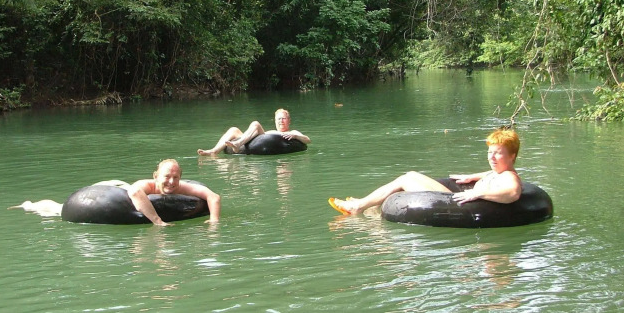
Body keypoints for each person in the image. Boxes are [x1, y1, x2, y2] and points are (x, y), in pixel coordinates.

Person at [328, 129, 522, 215]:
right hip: (458, 198)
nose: (491, 157)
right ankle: (369, 207)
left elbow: (513, 192)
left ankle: (358, 206)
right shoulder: (497, 172)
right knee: (408, 178)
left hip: (456, 203)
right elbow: (492, 174)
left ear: (512, 156)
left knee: (408, 178)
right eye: (489, 152)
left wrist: (477, 193)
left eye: (498, 153)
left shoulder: (509, 177)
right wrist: (473, 177)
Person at [128, 159, 221, 225]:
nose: (171, 182)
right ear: (156, 176)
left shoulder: (183, 188)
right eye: (167, 176)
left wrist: (214, 220)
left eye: (175, 177)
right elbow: (135, 192)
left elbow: (213, 197)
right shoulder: (148, 185)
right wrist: (157, 221)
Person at [197, 108, 311, 156]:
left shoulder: (293, 131)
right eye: (279, 119)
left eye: (284, 119)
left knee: (255, 124)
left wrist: (295, 135)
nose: (281, 121)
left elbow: (307, 140)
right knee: (233, 130)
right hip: (260, 139)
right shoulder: (271, 131)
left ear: (289, 121)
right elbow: (262, 138)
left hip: (268, 141)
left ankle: (238, 144)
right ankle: (213, 151)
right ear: (275, 121)